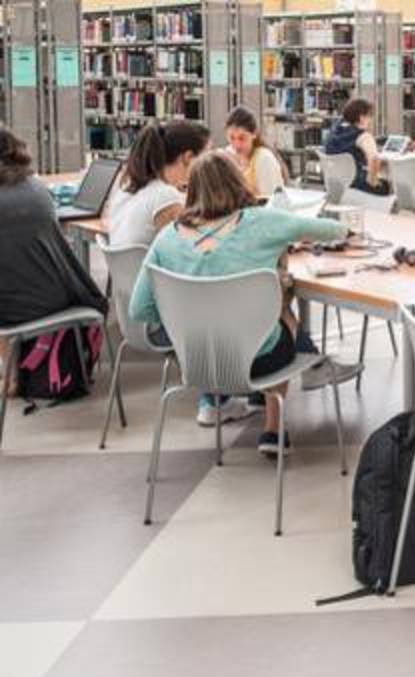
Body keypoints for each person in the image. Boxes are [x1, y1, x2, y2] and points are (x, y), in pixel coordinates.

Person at [129, 151, 349, 455]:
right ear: (237, 183)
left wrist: (184, 320)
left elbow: (138, 309)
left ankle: (228, 401)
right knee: (281, 306)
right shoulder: (261, 221)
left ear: (191, 190)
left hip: (195, 360)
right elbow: (334, 231)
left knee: (266, 308)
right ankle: (274, 430)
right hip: (259, 359)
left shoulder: (166, 238)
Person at [0, 128, 108, 395]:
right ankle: (12, 372)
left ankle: (11, 374)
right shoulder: (34, 185)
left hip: (27, 305)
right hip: (58, 291)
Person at [106, 121, 211, 247]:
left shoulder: (127, 187)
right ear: (188, 157)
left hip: (124, 266)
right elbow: (189, 249)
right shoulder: (165, 195)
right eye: (207, 156)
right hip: (149, 266)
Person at [323, 98, 390, 196]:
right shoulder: (363, 136)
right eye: (370, 116)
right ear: (362, 117)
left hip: (334, 186)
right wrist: (373, 181)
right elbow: (374, 159)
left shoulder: (334, 131)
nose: (371, 121)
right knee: (387, 184)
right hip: (356, 186)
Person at [225, 105, 287, 198]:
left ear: (254, 134)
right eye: (232, 138)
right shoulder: (228, 154)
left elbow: (269, 200)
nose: (237, 145)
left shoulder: (264, 158)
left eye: (242, 138)